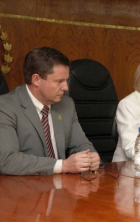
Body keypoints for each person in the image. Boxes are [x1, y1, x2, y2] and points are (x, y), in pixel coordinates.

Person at [0, 47, 100, 176]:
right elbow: (7, 160)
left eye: (66, 80)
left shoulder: (67, 104)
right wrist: (62, 166)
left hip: (63, 188)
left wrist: (91, 158)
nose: (66, 87)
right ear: (36, 80)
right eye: (59, 81)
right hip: (23, 189)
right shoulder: (5, 107)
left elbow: (82, 145)